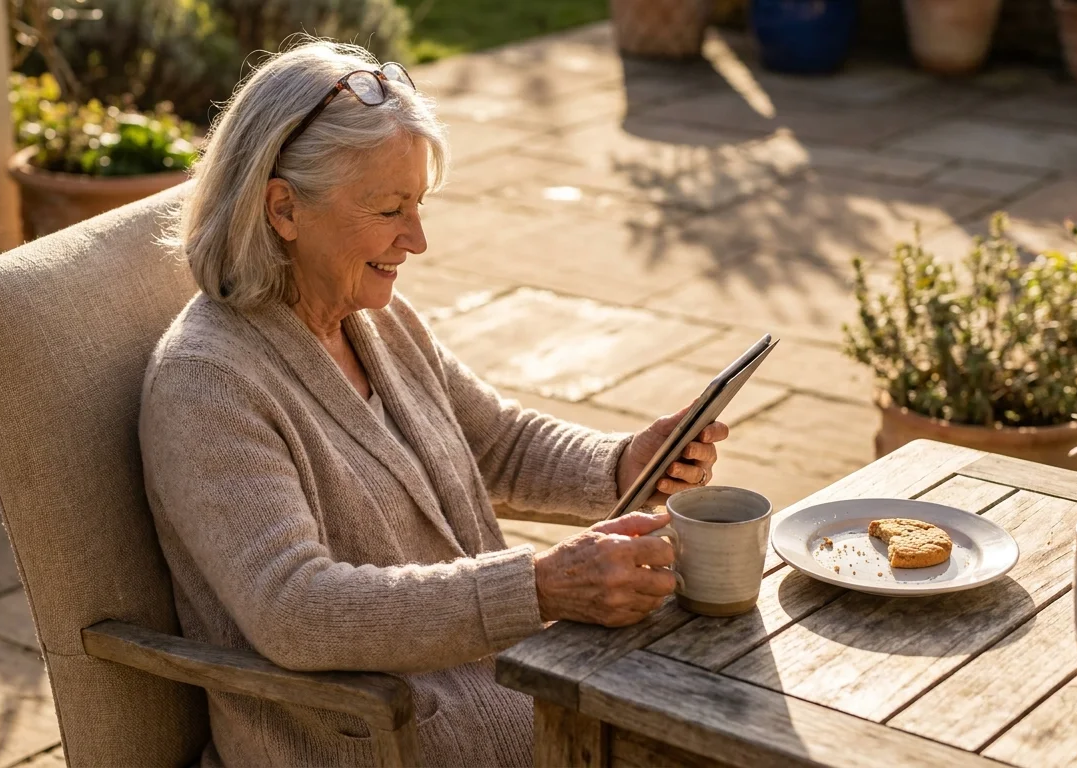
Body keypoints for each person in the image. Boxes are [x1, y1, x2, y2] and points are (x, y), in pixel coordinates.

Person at [139, 38, 729, 767]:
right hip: (375, 740)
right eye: (390, 208)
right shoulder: (208, 383)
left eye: (418, 203)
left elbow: (497, 442)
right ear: (284, 208)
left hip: (504, 691)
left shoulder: (374, 318)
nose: (416, 239)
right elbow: (295, 609)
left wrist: (623, 462)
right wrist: (539, 587)